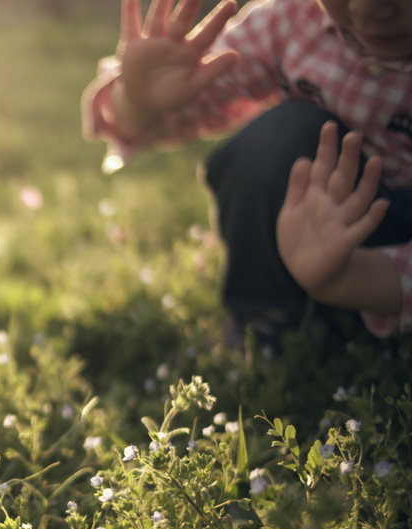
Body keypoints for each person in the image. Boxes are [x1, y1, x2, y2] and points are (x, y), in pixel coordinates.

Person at [82, 0, 412, 344]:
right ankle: (268, 321)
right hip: (303, 244)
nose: (368, 8)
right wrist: (139, 102)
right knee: (277, 136)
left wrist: (350, 278)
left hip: (391, 265)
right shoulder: (294, 18)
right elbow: (190, 97)